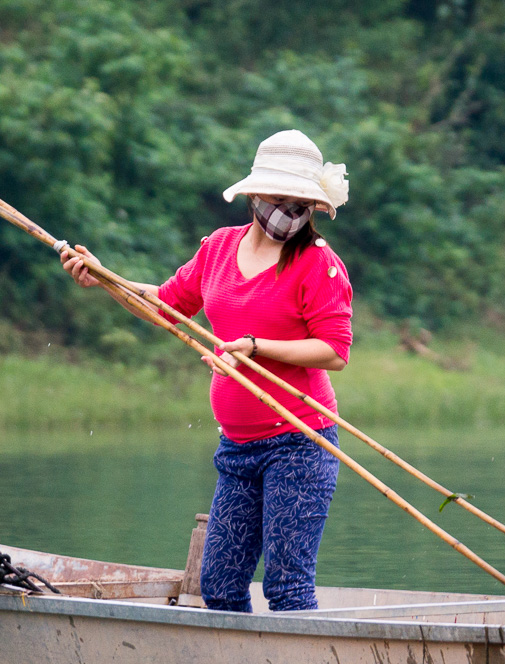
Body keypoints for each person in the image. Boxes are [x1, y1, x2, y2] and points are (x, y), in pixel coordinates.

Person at [60, 130, 352, 613]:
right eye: (281, 199)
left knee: (287, 590)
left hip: (301, 443)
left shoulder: (319, 265)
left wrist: (256, 349)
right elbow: (166, 306)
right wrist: (104, 277)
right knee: (217, 587)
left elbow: (334, 351)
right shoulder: (218, 249)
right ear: (255, 195)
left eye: (301, 203)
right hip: (237, 447)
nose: (291, 212)